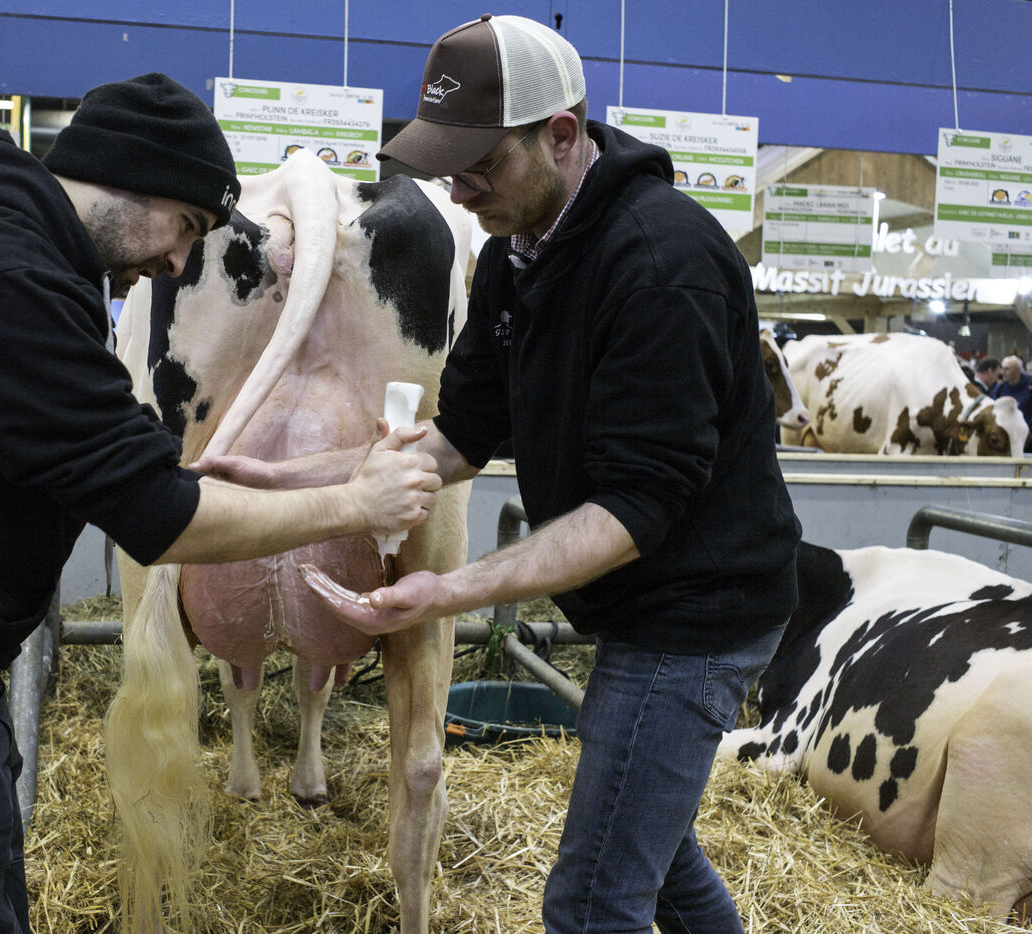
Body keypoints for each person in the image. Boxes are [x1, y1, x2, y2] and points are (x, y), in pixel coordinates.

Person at [0, 72, 441, 934]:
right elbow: (156, 515)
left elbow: (126, 467)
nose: (179, 264)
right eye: (187, 227)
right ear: (135, 177)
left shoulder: (6, 260)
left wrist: (251, 479)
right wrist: (356, 504)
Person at [198, 15, 800, 934]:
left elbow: (635, 508)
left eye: (481, 166)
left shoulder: (660, 264)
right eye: (447, 168)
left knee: (591, 901)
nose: (460, 190)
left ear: (561, 134)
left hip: (696, 619)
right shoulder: (518, 257)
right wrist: (284, 477)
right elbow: (461, 438)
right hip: (639, 602)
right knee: (659, 852)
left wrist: (450, 591)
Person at [992, 353, 1032, 451]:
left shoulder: (1029, 386)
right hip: (1006, 437)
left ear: (1018, 370)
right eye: (1002, 368)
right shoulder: (1000, 388)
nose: (1003, 372)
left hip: (1028, 438)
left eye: (1007, 369)